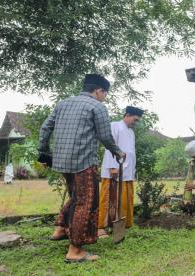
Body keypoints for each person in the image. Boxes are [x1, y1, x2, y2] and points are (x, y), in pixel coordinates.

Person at [39, 74, 124, 263]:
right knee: (87, 202)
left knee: (77, 198)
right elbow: (105, 136)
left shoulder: (63, 103)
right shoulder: (97, 106)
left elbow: (45, 128)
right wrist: (117, 152)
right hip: (83, 162)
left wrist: (43, 152)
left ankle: (61, 227)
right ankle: (75, 250)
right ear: (99, 91)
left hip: (61, 161)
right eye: (105, 94)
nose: (105, 97)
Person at [97, 106, 143, 237]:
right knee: (108, 199)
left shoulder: (131, 132)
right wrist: (112, 166)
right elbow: (109, 146)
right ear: (127, 115)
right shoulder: (115, 126)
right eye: (135, 119)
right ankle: (101, 227)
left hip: (127, 172)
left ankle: (120, 226)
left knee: (123, 200)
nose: (136, 122)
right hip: (115, 170)